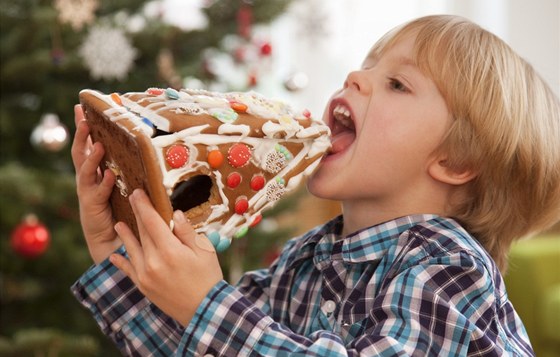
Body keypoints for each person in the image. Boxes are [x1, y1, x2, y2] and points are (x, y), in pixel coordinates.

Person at [71, 15, 560, 356]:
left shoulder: (449, 268)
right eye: (368, 66)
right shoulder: (303, 261)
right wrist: (118, 250)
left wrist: (206, 303)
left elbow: (216, 324)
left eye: (397, 84)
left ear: (455, 160)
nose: (355, 77)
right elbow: (200, 344)